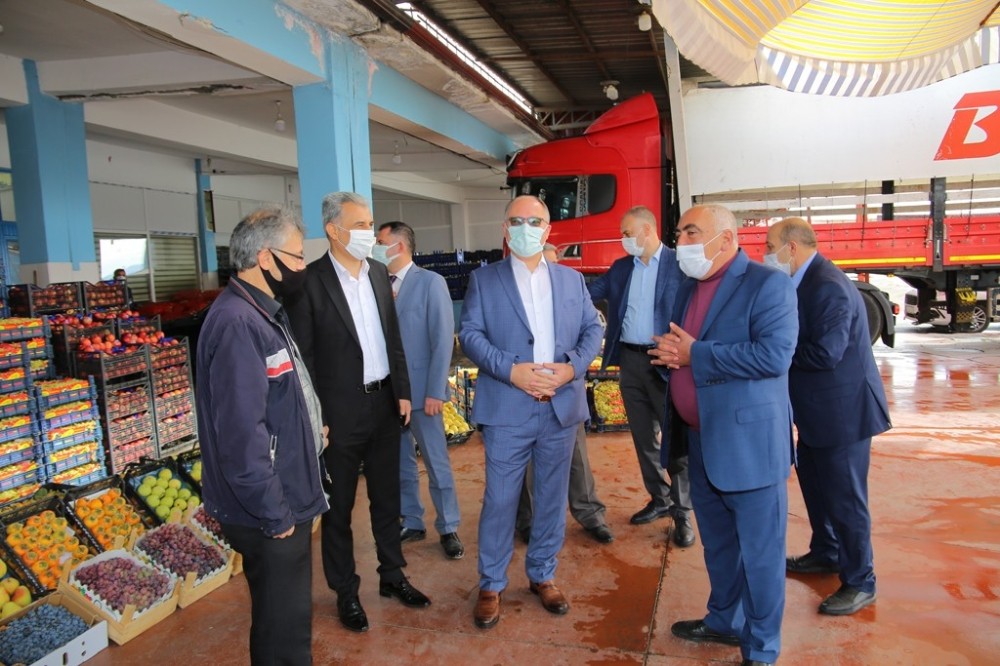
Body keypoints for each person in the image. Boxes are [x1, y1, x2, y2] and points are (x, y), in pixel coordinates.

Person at [651, 204, 798, 666]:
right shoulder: (687, 286)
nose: (681, 243)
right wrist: (671, 355)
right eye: (679, 233)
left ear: (727, 239)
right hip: (700, 440)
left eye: (691, 233)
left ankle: (762, 649)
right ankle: (724, 620)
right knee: (718, 546)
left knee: (760, 556)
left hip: (749, 448)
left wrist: (696, 355)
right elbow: (683, 350)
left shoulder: (767, 285)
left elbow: (774, 356)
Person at [286, 192, 430, 634]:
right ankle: (345, 590)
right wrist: (317, 417)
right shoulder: (309, 283)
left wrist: (402, 391)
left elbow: (393, 339)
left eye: (370, 223)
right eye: (361, 225)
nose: (370, 232)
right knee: (339, 508)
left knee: (388, 498)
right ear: (334, 230)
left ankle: (392, 575)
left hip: (384, 404)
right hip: (338, 414)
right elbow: (304, 359)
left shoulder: (378, 273)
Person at [459, 195, 603, 630]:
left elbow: (592, 329)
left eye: (535, 221)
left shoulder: (571, 280)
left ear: (548, 229)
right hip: (508, 407)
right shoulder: (485, 280)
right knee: (500, 499)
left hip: (559, 408)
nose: (526, 228)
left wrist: (571, 368)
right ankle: (491, 583)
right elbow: (470, 334)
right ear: (506, 229)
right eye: (517, 221)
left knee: (552, 498)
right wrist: (511, 371)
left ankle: (542, 573)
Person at [196, 206, 329, 665]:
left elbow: (275, 397)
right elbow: (240, 434)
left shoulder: (261, 311)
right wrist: (274, 512)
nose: (302, 267)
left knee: (284, 619)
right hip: (269, 507)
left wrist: (310, 429)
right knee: (283, 631)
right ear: (265, 258)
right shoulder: (238, 323)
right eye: (296, 256)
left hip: (283, 493)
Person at [765, 217, 891, 616]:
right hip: (818, 414)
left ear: (791, 247)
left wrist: (774, 353)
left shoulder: (828, 286)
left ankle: (861, 581)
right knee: (817, 488)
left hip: (843, 415)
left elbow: (826, 352)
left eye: (769, 246)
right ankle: (827, 551)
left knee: (846, 499)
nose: (765, 254)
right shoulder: (804, 281)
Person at [587, 206, 694, 547]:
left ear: (648, 230)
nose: (624, 239)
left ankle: (682, 511)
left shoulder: (680, 265)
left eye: (627, 232)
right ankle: (659, 499)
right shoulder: (622, 268)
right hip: (630, 362)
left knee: (675, 440)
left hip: (667, 362)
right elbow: (586, 292)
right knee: (644, 437)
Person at [374, 221, 464, 560]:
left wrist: (436, 391)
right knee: (401, 464)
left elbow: (442, 340)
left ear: (398, 246)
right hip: (390, 396)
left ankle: (448, 526)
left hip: (424, 394)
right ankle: (412, 520)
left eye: (380, 241)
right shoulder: (376, 284)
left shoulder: (430, 282)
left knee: (437, 464)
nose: (375, 247)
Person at [516, 243, 613, 545]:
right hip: (525, 392)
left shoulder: (572, 289)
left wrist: (572, 366)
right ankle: (528, 521)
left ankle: (590, 514)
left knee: (576, 458)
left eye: (553, 264)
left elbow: (593, 330)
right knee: (526, 464)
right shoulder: (515, 295)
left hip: (566, 390)